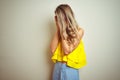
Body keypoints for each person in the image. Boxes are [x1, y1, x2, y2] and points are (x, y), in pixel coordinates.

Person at [50, 4, 87, 80]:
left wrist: (62, 29)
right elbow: (52, 50)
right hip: (57, 66)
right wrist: (58, 28)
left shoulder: (79, 31)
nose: (58, 20)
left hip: (69, 69)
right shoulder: (59, 32)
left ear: (66, 17)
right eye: (57, 18)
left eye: (59, 18)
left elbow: (67, 50)